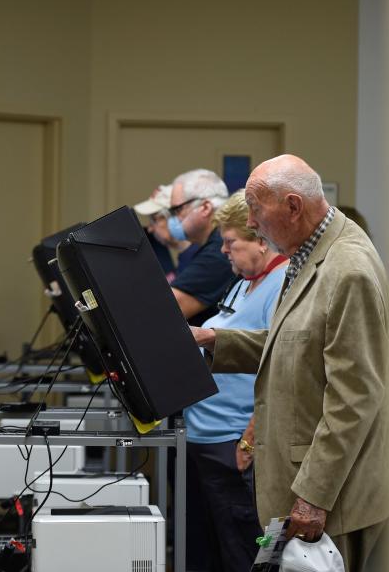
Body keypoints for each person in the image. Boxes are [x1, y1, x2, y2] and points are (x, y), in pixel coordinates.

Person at [191, 155, 389, 572]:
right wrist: (215, 340)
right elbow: (295, 345)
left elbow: (355, 396)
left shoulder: (347, 268)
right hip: (302, 483)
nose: (250, 222)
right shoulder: (306, 254)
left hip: (333, 496)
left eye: (256, 208)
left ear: (293, 206)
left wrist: (313, 496)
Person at [183, 190, 288, 572]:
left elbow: (282, 370)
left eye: (230, 243)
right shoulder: (245, 281)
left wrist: (251, 438)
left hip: (236, 445)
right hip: (209, 437)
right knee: (224, 551)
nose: (223, 251)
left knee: (247, 553)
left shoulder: (281, 286)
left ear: (261, 241)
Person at [167, 169, 234, 326]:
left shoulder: (219, 251)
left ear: (205, 207)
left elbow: (165, 310)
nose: (174, 218)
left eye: (177, 210)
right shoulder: (211, 245)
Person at [134, 184, 198, 281]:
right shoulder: (186, 258)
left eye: (154, 220)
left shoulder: (197, 260)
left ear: (176, 216)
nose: (150, 229)